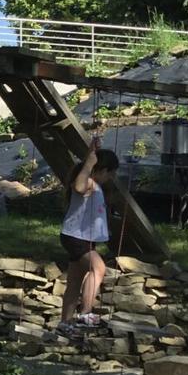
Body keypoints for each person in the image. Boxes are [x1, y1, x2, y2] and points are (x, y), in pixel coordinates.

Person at [55, 138, 120, 335]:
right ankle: (85, 313)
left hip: (79, 237)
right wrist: (89, 164)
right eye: (110, 173)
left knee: (75, 280)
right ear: (102, 170)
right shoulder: (89, 182)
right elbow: (79, 187)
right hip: (76, 237)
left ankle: (65, 323)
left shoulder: (95, 184)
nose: (110, 177)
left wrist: (90, 155)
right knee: (98, 268)